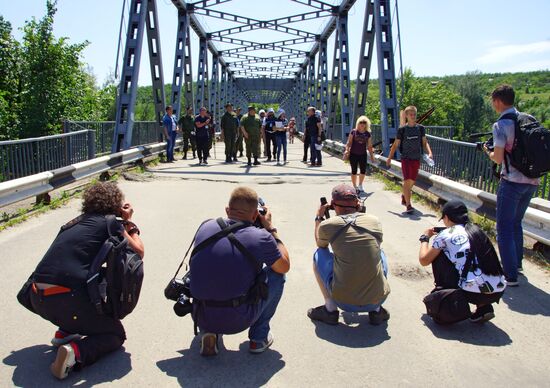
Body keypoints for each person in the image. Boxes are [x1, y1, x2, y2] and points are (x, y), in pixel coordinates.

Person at [27, 182, 144, 379]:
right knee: (115, 335)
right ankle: (75, 352)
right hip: (66, 300)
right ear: (114, 205)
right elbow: (138, 252)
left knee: (85, 279)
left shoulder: (72, 223)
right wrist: (129, 224)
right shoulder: (110, 223)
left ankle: (65, 332)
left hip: (37, 297)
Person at [189, 186, 290, 356]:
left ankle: (209, 331)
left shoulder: (206, 226)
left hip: (201, 314)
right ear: (255, 215)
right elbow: (284, 266)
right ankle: (259, 338)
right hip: (238, 319)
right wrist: (271, 229)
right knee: (277, 275)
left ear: (227, 210)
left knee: (215, 267)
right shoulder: (261, 236)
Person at [308, 184, 390, 325]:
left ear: (332, 205)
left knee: (318, 254)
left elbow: (320, 244)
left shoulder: (327, 225)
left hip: (343, 302)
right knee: (379, 253)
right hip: (378, 298)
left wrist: (318, 218)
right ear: (357, 203)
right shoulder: (374, 221)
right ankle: (376, 310)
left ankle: (330, 309)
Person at [484, 85, 540, 286]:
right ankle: (516, 264)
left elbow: (498, 159)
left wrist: (487, 151)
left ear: (498, 101)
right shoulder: (529, 119)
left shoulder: (501, 125)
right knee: (516, 223)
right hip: (532, 181)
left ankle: (510, 275)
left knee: (504, 228)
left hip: (512, 182)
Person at [418, 200, 506, 323]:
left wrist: (425, 238)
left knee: (440, 255)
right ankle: (483, 307)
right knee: (471, 261)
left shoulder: (445, 234)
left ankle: (448, 299)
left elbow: (424, 260)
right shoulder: (477, 231)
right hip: (498, 291)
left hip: (471, 293)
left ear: (447, 217)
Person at [386, 105, 433, 214]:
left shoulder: (420, 128)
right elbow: (395, 144)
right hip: (406, 159)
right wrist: (389, 157)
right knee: (407, 181)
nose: (413, 116)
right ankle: (408, 205)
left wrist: (430, 152)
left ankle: (404, 195)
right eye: (410, 114)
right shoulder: (402, 130)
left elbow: (425, 142)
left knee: (412, 181)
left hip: (416, 159)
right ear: (406, 116)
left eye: (414, 114)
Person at [343, 115, 376, 195]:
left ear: (366, 124)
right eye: (361, 122)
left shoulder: (368, 134)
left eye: (364, 122)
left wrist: (372, 156)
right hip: (353, 154)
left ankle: (360, 184)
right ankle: (355, 186)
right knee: (354, 170)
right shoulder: (353, 132)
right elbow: (349, 142)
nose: (362, 124)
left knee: (363, 170)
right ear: (358, 123)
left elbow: (369, 146)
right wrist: (347, 150)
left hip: (363, 154)